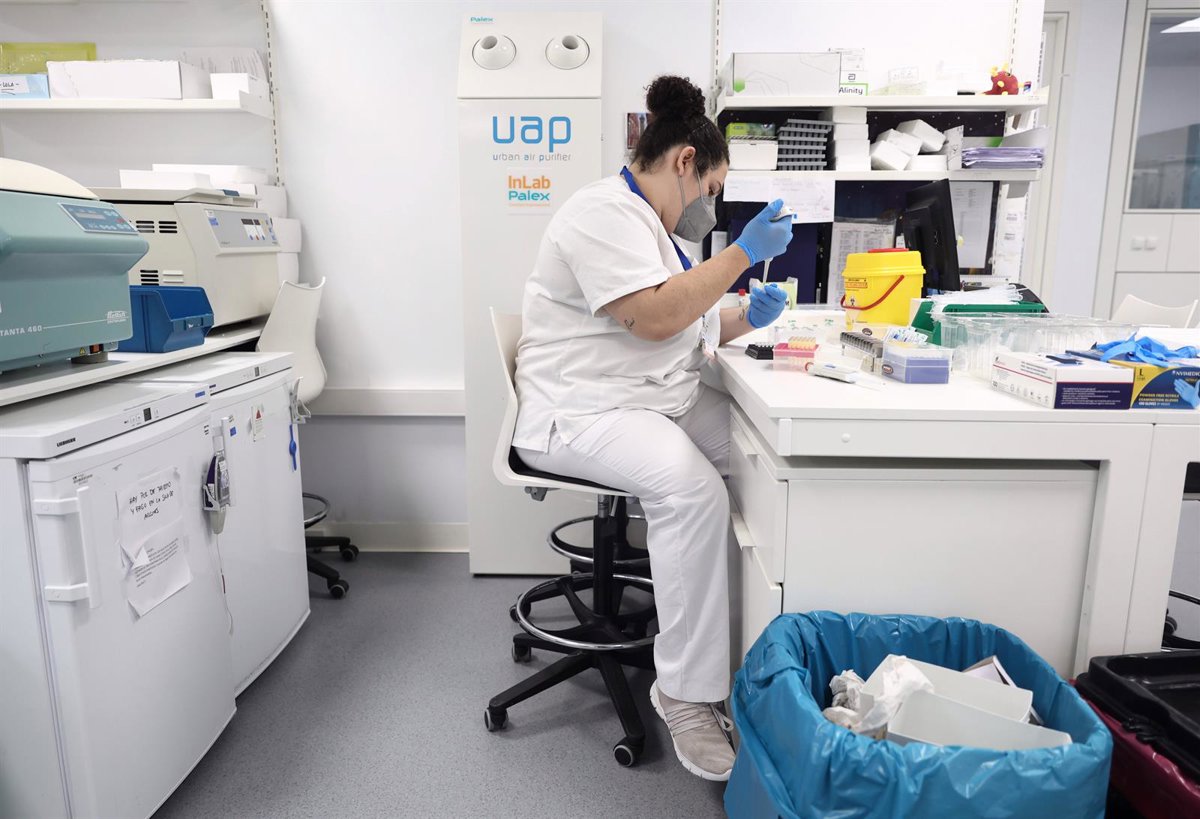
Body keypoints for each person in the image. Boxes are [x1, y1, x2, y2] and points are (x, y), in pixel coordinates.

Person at [512, 75, 793, 781]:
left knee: (762, 458)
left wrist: (745, 316)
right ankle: (686, 694)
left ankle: (747, 653)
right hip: (582, 410)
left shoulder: (653, 229)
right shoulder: (600, 213)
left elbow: (686, 317)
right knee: (692, 491)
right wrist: (741, 253)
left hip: (647, 399)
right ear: (684, 161)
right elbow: (654, 316)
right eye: (713, 188)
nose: (712, 206)